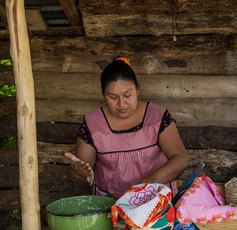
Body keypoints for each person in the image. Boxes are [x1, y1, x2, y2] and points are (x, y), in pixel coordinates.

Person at [65, 56, 188, 199]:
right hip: (110, 204)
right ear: (104, 95)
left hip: (154, 201)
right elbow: (81, 174)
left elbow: (180, 158)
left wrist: (152, 181)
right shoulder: (92, 125)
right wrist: (78, 172)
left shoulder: (157, 117)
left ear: (137, 90)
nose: (122, 104)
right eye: (113, 97)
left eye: (127, 95)